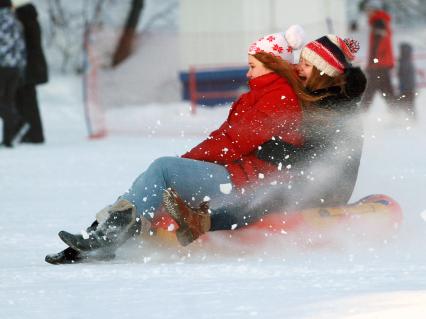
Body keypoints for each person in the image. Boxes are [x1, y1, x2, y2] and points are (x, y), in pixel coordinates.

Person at [45, 25, 313, 264]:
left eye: (253, 66)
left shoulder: (279, 98)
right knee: (153, 178)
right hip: (237, 173)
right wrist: (188, 162)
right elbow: (224, 138)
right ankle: (99, 234)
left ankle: (105, 236)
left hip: (247, 182)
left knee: (163, 170)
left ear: (273, 64)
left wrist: (187, 162)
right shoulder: (261, 95)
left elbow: (233, 143)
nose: (247, 72)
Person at [163, 34, 367, 247]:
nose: (298, 69)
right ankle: (199, 212)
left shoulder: (336, 109)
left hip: (327, 187)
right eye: (299, 62)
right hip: (305, 178)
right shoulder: (315, 98)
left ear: (322, 70)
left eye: (306, 65)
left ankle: (203, 222)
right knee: (263, 184)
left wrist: (273, 150)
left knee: (268, 196)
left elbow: (318, 159)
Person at [13, 0, 48, 144]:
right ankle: (32, 133)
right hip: (31, 67)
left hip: (28, 68)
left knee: (26, 100)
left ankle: (34, 134)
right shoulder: (30, 20)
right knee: (27, 101)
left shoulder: (25, 21)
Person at [0, 0, 27, 147]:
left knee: (3, 102)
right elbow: (21, 45)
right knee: (8, 101)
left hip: (2, 66)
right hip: (15, 67)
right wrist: (22, 66)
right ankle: (8, 139)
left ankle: (17, 120)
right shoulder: (15, 21)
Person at [361, 0, 395, 111]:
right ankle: (400, 114)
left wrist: (373, 62)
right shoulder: (380, 21)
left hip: (379, 65)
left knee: (370, 91)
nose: (366, 12)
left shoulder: (378, 22)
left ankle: (359, 116)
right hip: (382, 64)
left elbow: (380, 44)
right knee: (387, 91)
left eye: (368, 10)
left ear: (373, 10)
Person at [396, 42, 416, 121]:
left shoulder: (405, 62)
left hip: (407, 88)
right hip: (408, 88)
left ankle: (411, 119)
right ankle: (409, 119)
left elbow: (404, 75)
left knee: (406, 104)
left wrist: (405, 87)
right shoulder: (406, 61)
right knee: (407, 104)